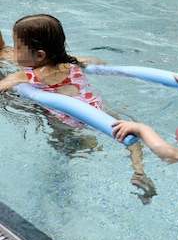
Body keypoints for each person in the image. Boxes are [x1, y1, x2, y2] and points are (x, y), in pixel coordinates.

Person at [0, 14, 156, 204]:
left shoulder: (24, 76)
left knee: (65, 152)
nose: (12, 51)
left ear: (39, 55)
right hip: (96, 109)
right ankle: (139, 170)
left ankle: (78, 159)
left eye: (16, 47)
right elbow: (97, 61)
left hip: (64, 121)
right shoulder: (73, 63)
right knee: (130, 135)